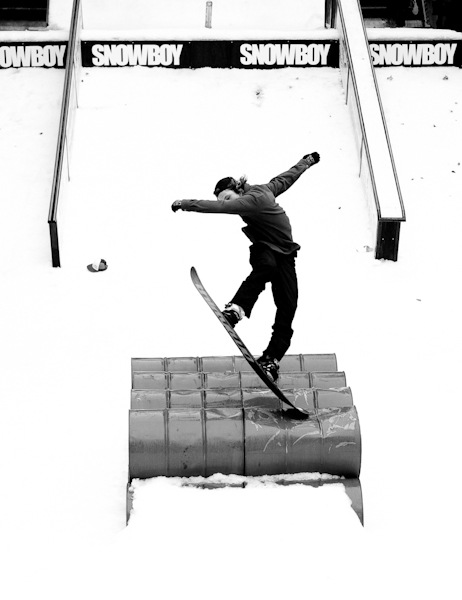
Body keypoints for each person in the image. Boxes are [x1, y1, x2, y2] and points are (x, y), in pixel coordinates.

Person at [171, 153, 320, 382]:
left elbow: (215, 208)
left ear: (238, 190)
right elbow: (286, 178)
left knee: (288, 305)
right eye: (224, 200)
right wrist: (306, 162)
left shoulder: (249, 201)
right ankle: (236, 309)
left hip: (286, 255)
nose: (228, 204)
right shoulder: (265, 189)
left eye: (228, 198)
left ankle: (271, 359)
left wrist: (185, 204)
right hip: (265, 248)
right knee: (266, 267)